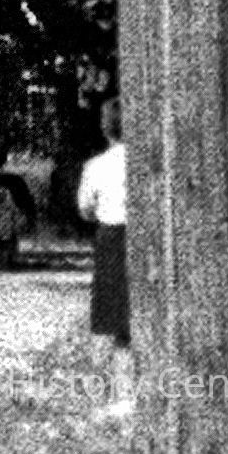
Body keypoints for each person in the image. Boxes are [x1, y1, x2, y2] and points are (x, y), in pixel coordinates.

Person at [78, 98, 129, 352]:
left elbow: (85, 209)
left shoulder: (95, 166)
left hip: (110, 236)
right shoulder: (147, 164)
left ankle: (123, 360)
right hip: (143, 234)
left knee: (117, 317)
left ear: (104, 127)